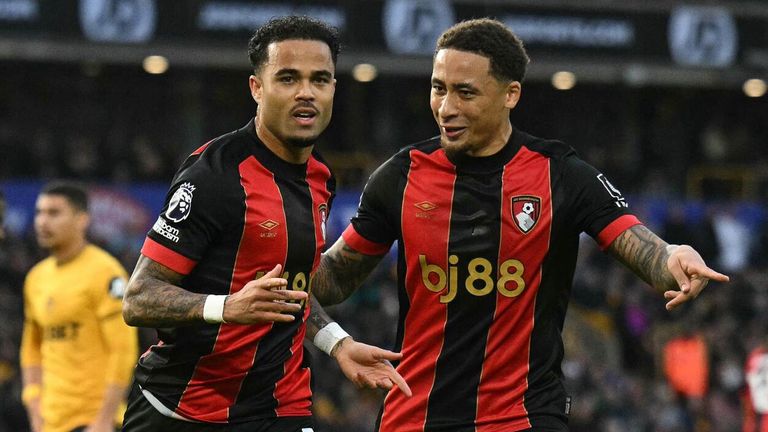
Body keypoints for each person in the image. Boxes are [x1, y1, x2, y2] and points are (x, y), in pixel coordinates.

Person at [309, 18, 730, 431]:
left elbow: (640, 245)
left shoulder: (560, 174)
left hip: (523, 417)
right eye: (438, 88)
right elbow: (332, 280)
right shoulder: (399, 176)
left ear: (511, 94)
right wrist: (277, 259)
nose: (446, 107)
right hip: (415, 416)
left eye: (465, 92)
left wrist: (673, 256)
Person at [120, 15, 408, 432]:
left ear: (333, 89)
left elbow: (294, 287)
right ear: (257, 87)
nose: (306, 93)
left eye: (320, 80)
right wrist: (226, 307)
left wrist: (337, 343)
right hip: (180, 409)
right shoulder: (214, 174)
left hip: (278, 406)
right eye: (288, 78)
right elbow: (139, 298)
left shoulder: (321, 177)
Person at [20, 182, 138, 432]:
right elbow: (32, 347)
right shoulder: (36, 279)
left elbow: (123, 349)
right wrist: (33, 405)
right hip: (50, 422)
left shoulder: (105, 272)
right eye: (40, 212)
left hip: (92, 421)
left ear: (82, 219)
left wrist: (104, 419)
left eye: (54, 213)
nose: (42, 221)